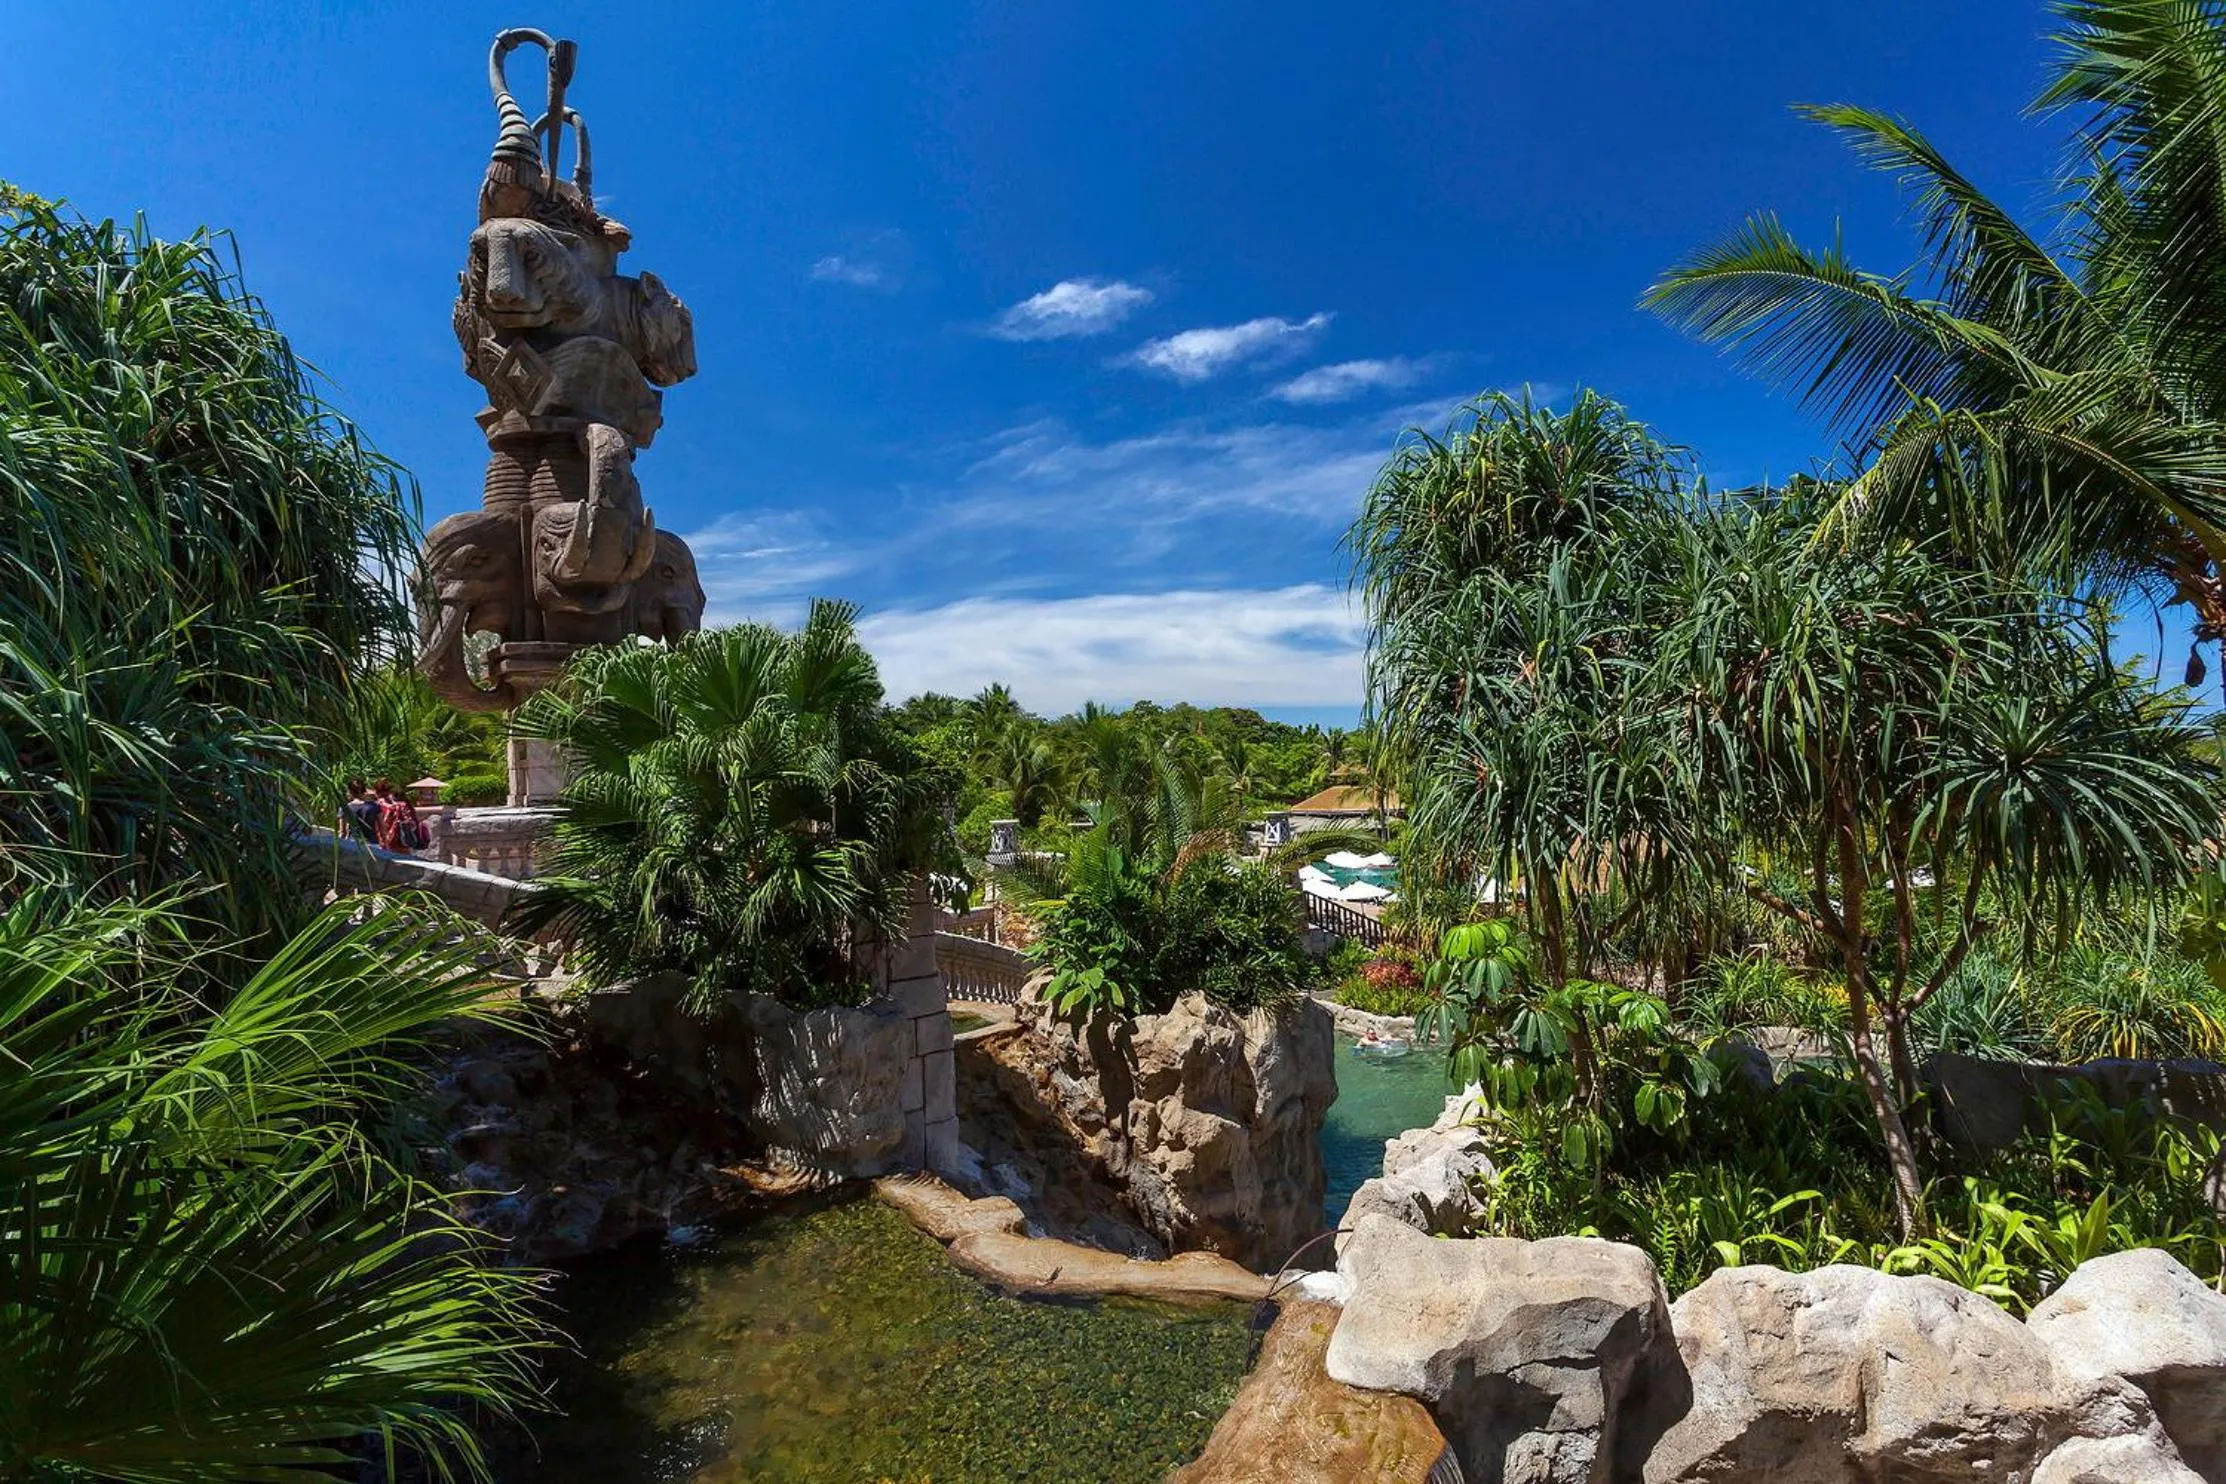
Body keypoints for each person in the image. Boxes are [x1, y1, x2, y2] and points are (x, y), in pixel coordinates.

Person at [373, 777, 429, 853]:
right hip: (399, 843)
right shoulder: (401, 806)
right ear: (390, 791)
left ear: (376, 791)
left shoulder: (373, 806)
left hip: (378, 844)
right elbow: (412, 824)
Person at [340, 778, 381, 842]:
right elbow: (383, 831)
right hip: (372, 844)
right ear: (364, 791)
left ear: (350, 791)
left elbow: (343, 833)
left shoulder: (345, 808)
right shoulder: (374, 807)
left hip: (353, 843)